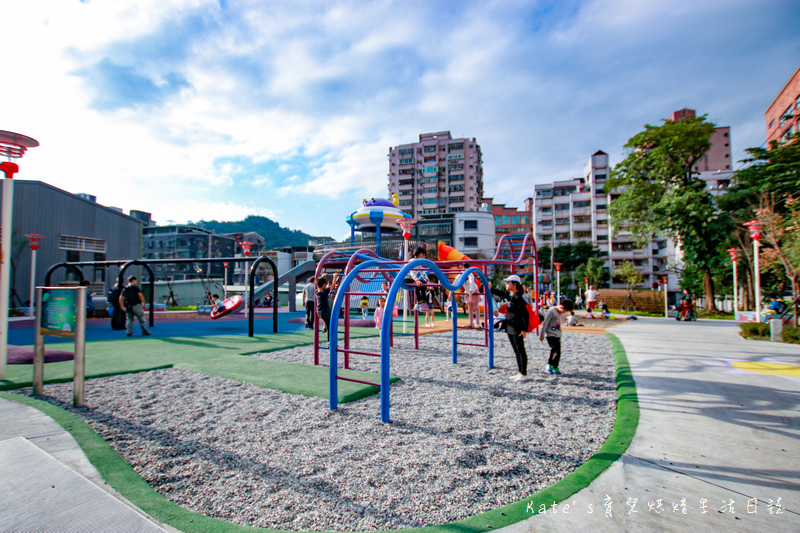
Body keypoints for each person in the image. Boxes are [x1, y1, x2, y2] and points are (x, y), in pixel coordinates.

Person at [490, 275, 531, 382]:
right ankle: (520, 372)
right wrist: (490, 288)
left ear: (514, 284)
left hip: (517, 327)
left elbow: (525, 314)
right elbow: (502, 293)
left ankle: (524, 373)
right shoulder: (512, 296)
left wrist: (524, 329)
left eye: (508, 282)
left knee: (520, 350)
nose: (506, 284)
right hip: (510, 326)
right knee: (516, 350)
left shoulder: (518, 298)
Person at [539, 297, 574, 375]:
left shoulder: (559, 313)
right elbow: (545, 323)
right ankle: (549, 364)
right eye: (564, 311)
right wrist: (542, 334)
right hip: (551, 334)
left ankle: (555, 366)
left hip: (557, 335)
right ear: (561, 307)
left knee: (558, 352)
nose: (564, 313)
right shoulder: (551, 311)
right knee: (554, 349)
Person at [462, 262, 482, 328]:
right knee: (470, 307)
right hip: (468, 292)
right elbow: (456, 281)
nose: (462, 269)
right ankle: (471, 322)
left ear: (466, 268)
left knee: (476, 306)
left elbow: (472, 284)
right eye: (461, 268)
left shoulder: (470, 274)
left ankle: (478, 323)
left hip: (473, 291)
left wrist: (470, 296)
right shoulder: (461, 275)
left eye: (463, 267)